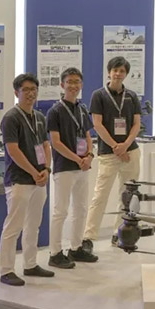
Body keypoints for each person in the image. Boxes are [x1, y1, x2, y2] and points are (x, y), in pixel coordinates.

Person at [0, 73, 55, 286]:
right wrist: (33, 172)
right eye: (26, 90)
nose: (31, 93)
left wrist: (46, 169)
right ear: (16, 92)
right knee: (13, 226)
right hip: (19, 180)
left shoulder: (39, 117)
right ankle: (6, 270)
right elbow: (13, 150)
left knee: (34, 225)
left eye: (34, 89)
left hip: (39, 180)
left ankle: (30, 264)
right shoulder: (11, 118)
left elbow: (46, 145)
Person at [82, 57, 142, 252]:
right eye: (115, 70)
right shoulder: (98, 95)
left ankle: (120, 233)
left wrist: (125, 145)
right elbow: (97, 125)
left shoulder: (131, 96)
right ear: (109, 72)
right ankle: (88, 237)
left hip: (130, 152)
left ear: (126, 74)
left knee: (126, 196)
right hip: (109, 154)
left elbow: (136, 124)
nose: (118, 74)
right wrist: (116, 146)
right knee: (100, 196)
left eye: (122, 71)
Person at [47, 67, 98, 268]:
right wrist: (78, 159)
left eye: (77, 82)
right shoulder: (55, 111)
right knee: (60, 211)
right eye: (69, 82)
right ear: (62, 85)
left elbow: (88, 135)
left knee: (81, 208)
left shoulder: (82, 109)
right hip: (65, 167)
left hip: (82, 167)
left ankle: (76, 248)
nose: (73, 85)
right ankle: (55, 253)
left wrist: (90, 156)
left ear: (81, 85)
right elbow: (56, 142)